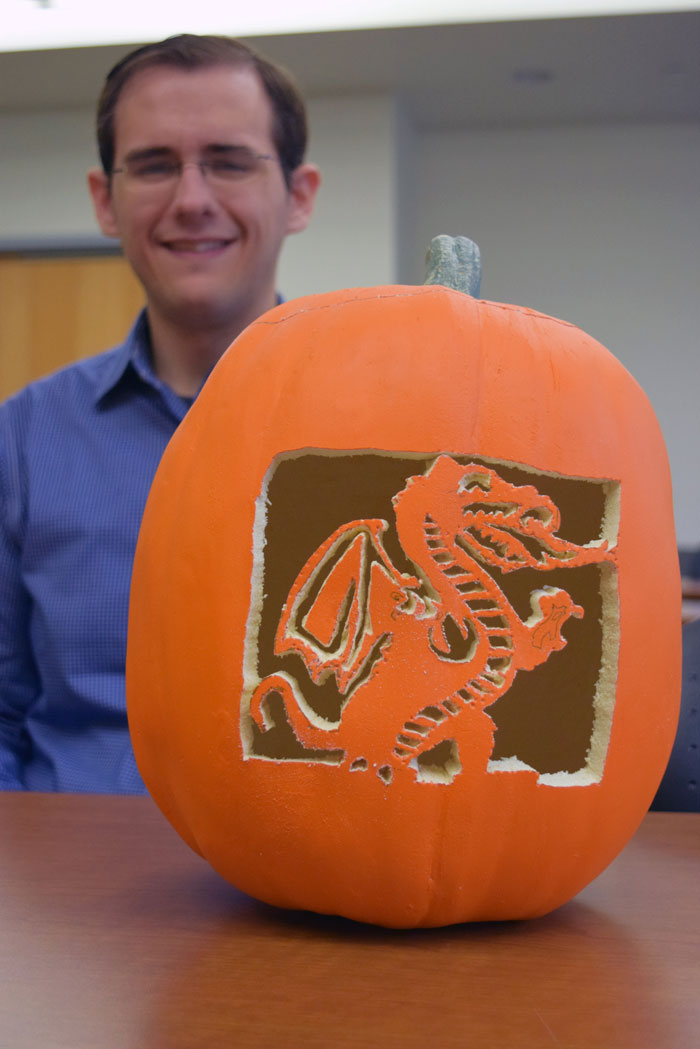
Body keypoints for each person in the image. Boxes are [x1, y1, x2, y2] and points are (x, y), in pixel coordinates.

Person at [0, 34, 320, 792]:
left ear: (298, 195)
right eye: (153, 165)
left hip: (313, 889)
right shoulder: (21, 439)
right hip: (69, 892)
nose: (192, 199)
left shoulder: (392, 432)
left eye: (229, 160)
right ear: (105, 201)